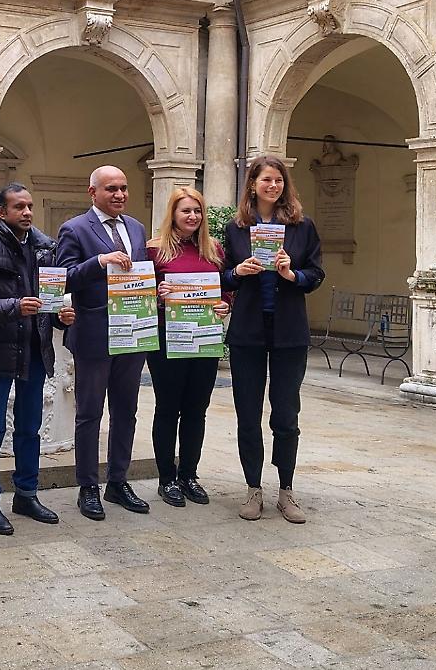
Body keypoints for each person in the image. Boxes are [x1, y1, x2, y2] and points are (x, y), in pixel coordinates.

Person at [0, 183, 75, 534]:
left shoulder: (46, 248)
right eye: (18, 207)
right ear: (1, 212)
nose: (27, 212)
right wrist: (15, 306)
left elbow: (52, 302)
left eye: (29, 206)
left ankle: (27, 494)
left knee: (30, 428)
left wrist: (60, 317)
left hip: (35, 351)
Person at [222, 155, 325, 525]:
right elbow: (222, 278)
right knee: (248, 413)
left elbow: (316, 274)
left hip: (289, 334)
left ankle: (286, 490)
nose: (273, 186)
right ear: (252, 184)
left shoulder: (302, 226)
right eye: (266, 180)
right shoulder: (236, 228)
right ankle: (253, 488)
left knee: (285, 414)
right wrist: (238, 270)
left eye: (278, 180)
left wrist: (291, 273)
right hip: (248, 331)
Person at [56, 165, 150, 521]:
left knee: (126, 411)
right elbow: (63, 278)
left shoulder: (137, 228)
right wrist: (99, 261)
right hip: (94, 334)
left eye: (124, 188)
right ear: (92, 192)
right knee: (89, 413)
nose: (120, 195)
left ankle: (118, 481)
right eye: (111, 189)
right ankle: (88, 486)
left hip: (132, 332)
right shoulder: (75, 228)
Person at [147, 186, 230, 508]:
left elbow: (225, 290)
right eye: (186, 211)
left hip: (205, 339)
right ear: (173, 214)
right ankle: (166, 478)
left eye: (197, 211)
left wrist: (225, 305)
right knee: (168, 409)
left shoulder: (214, 250)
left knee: (197, 409)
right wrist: (157, 294)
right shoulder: (155, 251)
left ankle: (189, 475)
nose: (192, 216)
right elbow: (136, 294)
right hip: (168, 340)